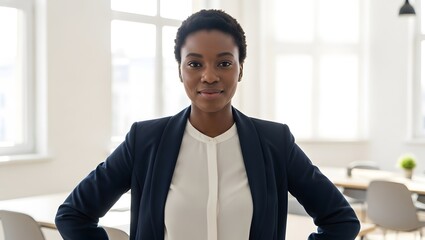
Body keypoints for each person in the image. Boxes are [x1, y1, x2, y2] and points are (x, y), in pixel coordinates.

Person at [55, 9, 360, 240]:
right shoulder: (145, 140)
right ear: (180, 71)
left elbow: (340, 220)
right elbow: (73, 215)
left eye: (224, 63)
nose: (210, 76)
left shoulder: (274, 142)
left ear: (240, 70)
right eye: (195, 63)